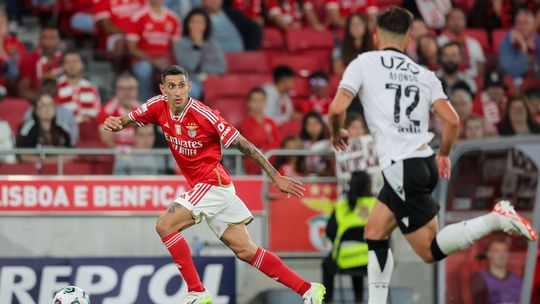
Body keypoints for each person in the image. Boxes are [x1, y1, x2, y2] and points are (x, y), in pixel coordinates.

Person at [327, 7, 537, 304]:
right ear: (409, 39)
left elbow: (337, 109)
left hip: (401, 168)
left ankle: (495, 219)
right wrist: (445, 154)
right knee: (374, 231)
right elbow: (452, 120)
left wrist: (336, 132)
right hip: (422, 161)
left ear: (375, 36)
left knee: (429, 251)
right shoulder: (423, 74)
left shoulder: (364, 62)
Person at [102, 65, 326, 304]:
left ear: (188, 86)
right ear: (163, 89)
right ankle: (308, 289)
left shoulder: (204, 114)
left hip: (212, 183)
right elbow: (129, 119)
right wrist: (117, 122)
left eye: (181, 85)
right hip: (213, 188)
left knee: (165, 225)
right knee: (245, 251)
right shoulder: (157, 106)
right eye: (171, 86)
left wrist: (274, 175)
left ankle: (197, 291)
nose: (177, 92)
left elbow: (244, 144)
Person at [322, 171, 374, 303]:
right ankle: (359, 300)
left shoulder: (341, 207)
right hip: (371, 261)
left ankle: (328, 301)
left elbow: (330, 232)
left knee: (327, 264)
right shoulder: (377, 205)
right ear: (368, 185)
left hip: (343, 259)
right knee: (360, 260)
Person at [127, 0, 181, 101]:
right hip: (143, 60)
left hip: (165, 59)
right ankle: (147, 104)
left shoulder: (173, 18)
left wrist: (170, 63)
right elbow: (132, 49)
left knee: (176, 71)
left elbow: (176, 48)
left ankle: (172, 106)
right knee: (144, 70)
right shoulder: (138, 17)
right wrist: (154, 61)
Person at [174, 8, 226, 100]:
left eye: (201, 22)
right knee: (190, 91)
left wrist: (203, 70)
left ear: (206, 25)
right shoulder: (180, 44)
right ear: (188, 24)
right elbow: (190, 65)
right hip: (190, 82)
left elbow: (221, 67)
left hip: (211, 81)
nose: (198, 26)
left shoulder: (213, 44)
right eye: (194, 22)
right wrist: (197, 45)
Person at [17, 94, 73, 163]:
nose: (47, 109)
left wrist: (54, 162)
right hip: (35, 170)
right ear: (37, 110)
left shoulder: (64, 129)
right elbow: (22, 155)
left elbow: (73, 153)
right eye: (43, 105)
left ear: (55, 110)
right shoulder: (27, 129)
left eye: (50, 105)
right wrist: (45, 162)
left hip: (59, 170)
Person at [93, 0, 145, 73]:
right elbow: (107, 27)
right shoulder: (103, 1)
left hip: (139, 35)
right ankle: (120, 74)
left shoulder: (140, 1)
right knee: (120, 44)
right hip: (116, 35)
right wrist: (128, 34)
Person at [240, 87, 281, 174]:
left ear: (265, 102)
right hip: (253, 166)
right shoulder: (245, 123)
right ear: (249, 103)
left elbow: (278, 142)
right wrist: (268, 140)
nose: (257, 104)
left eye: (260, 101)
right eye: (254, 101)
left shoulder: (271, 122)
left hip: (272, 166)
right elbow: (251, 142)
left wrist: (264, 145)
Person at [470, 236, 523, 304]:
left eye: (504, 251)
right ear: (488, 254)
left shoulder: (518, 280)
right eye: (496, 251)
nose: (501, 255)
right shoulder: (480, 279)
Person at [17, 26, 63, 104]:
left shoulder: (65, 59)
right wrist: (42, 101)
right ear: (39, 40)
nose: (48, 41)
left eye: (52, 38)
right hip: (37, 103)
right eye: (45, 38)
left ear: (59, 41)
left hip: (63, 102)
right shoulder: (30, 58)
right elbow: (23, 90)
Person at [55, 50, 101, 124]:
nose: (72, 65)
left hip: (87, 128)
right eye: (68, 62)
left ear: (82, 64)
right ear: (62, 66)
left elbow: (97, 113)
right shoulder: (56, 87)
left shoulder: (91, 88)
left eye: (75, 61)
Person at [437, 8, 486, 77]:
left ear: (465, 22)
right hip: (447, 78)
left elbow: (481, 68)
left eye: (460, 18)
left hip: (472, 77)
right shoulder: (439, 41)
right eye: (452, 18)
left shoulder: (473, 43)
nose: (456, 22)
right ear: (446, 22)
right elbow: (437, 65)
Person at [98, 73, 141, 148]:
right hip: (114, 155)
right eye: (122, 89)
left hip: (137, 155)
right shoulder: (107, 110)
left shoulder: (143, 110)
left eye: (131, 88)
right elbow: (105, 139)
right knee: (104, 128)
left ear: (137, 91)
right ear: (116, 91)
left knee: (147, 131)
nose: (127, 93)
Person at [499, 8, 540, 82]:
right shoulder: (508, 41)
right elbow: (514, 72)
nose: (522, 27)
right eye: (519, 23)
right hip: (514, 87)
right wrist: (523, 49)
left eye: (526, 23)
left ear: (533, 25)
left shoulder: (537, 40)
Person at [472, 71, 509, 135]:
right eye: (492, 87)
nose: (496, 91)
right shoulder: (477, 104)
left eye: (499, 87)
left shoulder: (507, 102)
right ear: (486, 89)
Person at [300, 111, 330, 176]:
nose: (313, 127)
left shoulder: (328, 143)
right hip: (306, 177)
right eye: (309, 124)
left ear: (322, 125)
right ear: (304, 126)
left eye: (316, 123)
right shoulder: (301, 143)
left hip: (325, 178)